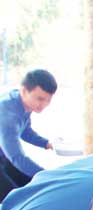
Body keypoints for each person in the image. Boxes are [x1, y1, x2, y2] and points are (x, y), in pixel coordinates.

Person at [0, 68, 57, 201]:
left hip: (4, 155)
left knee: (32, 184)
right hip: (9, 156)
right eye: (40, 99)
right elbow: (17, 157)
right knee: (15, 200)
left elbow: (25, 130)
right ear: (24, 91)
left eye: (48, 100)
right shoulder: (8, 116)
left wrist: (45, 143)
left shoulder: (21, 101)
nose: (44, 105)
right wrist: (48, 175)